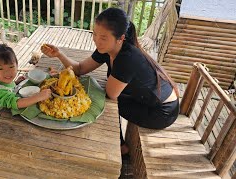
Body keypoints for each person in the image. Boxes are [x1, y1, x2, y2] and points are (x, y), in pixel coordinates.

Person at [41, 8, 179, 156]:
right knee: (95, 96)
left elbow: (111, 94)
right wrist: (59, 54)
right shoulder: (107, 49)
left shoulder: (127, 58)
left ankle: (119, 147)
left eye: (103, 37)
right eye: (95, 34)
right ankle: (120, 144)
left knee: (101, 102)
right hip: (146, 99)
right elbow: (80, 68)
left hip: (161, 112)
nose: (96, 40)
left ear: (120, 38)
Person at [0, 44, 52, 129]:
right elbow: (17, 104)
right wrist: (38, 97)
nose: (7, 72)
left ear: (17, 65)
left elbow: (7, 88)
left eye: (11, 67)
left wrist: (16, 82)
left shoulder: (1, 81)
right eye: (1, 69)